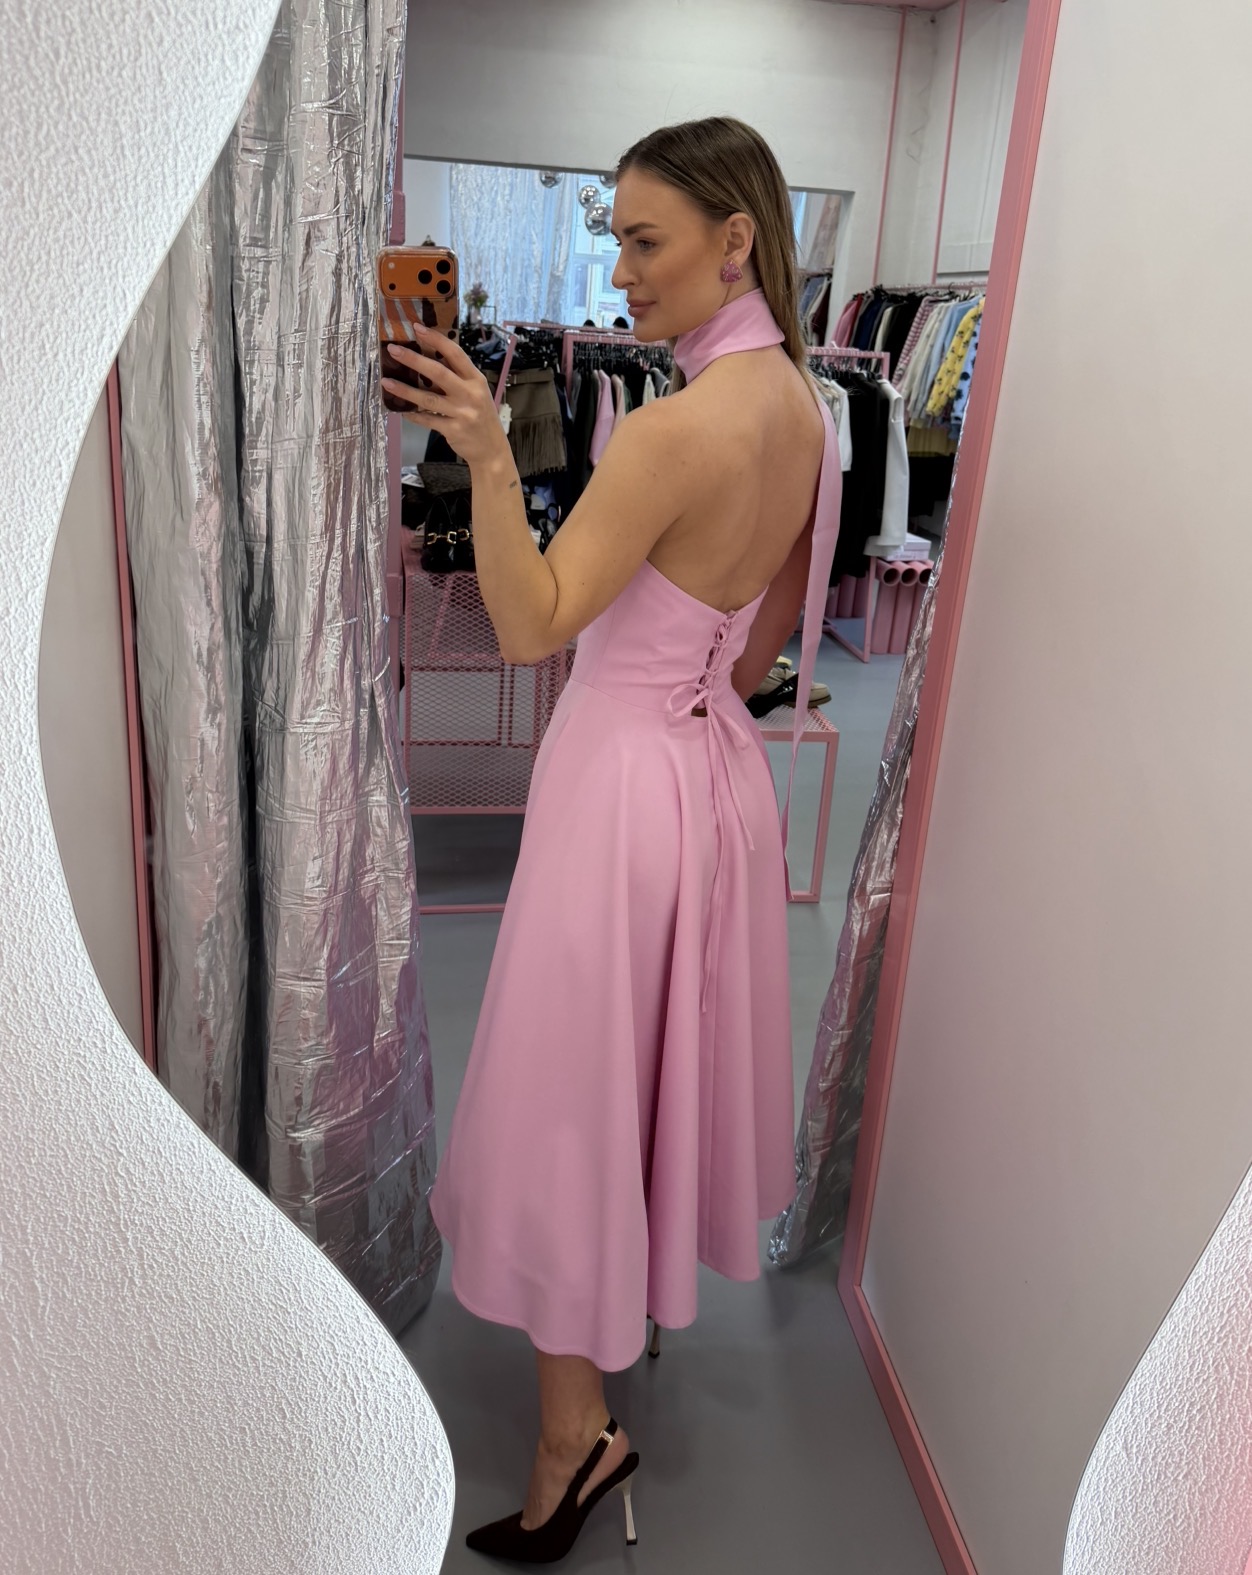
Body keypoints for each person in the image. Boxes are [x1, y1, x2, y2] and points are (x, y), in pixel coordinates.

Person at [382, 116, 839, 1564]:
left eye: (646, 241)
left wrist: (482, 450)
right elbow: (760, 648)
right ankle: (610, 1344)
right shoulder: (801, 409)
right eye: (615, 239)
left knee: (570, 1098)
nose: (622, 271)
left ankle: (573, 1437)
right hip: (713, 778)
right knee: (638, 1075)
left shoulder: (671, 429)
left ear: (734, 241)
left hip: (622, 787)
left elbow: (529, 624)